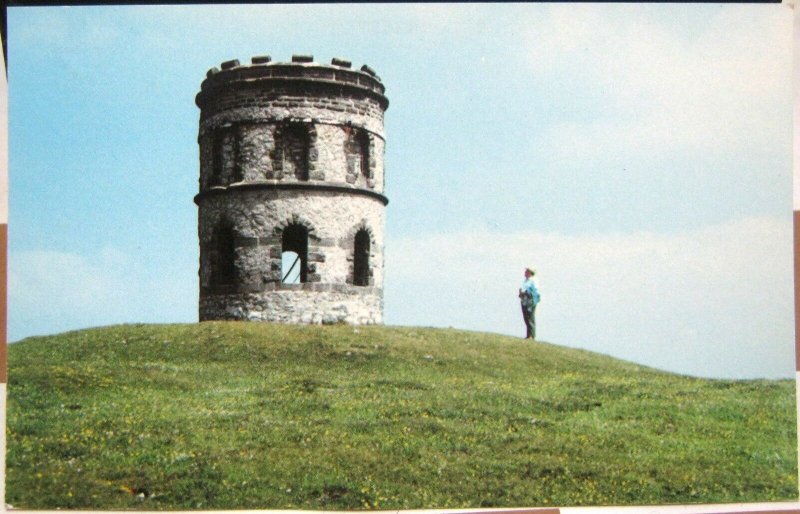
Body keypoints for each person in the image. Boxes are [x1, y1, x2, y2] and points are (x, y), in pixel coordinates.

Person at [518, 267, 540, 339]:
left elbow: (534, 291)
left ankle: (531, 335)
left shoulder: (533, 281)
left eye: (527, 271)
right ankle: (528, 335)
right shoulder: (525, 281)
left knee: (530, 317)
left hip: (530, 300)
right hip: (524, 300)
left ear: (530, 272)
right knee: (526, 317)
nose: (525, 272)